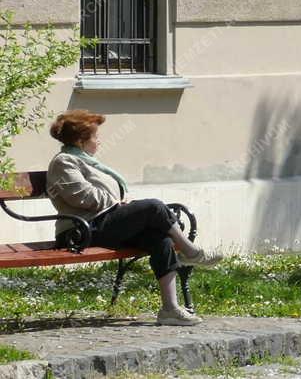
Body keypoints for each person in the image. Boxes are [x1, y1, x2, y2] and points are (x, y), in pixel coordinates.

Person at [46, 109, 222, 326]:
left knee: (160, 239)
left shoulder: (85, 160)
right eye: (96, 137)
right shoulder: (64, 162)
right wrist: (116, 201)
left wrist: (121, 199)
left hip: (103, 224)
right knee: (154, 207)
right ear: (82, 141)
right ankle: (190, 251)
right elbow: (81, 196)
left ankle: (170, 309)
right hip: (79, 231)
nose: (100, 141)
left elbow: (102, 194)